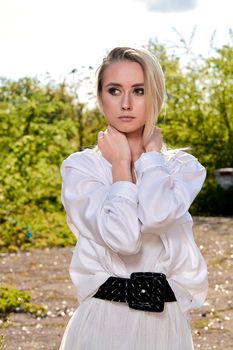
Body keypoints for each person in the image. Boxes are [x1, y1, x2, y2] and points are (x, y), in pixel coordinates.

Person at [59, 46, 208, 350]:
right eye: (115, 90)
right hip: (103, 322)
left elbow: (156, 215)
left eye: (139, 90)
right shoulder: (81, 168)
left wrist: (152, 157)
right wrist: (119, 166)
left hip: (164, 326)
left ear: (155, 95)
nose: (126, 103)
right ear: (101, 97)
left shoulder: (182, 168)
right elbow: (124, 240)